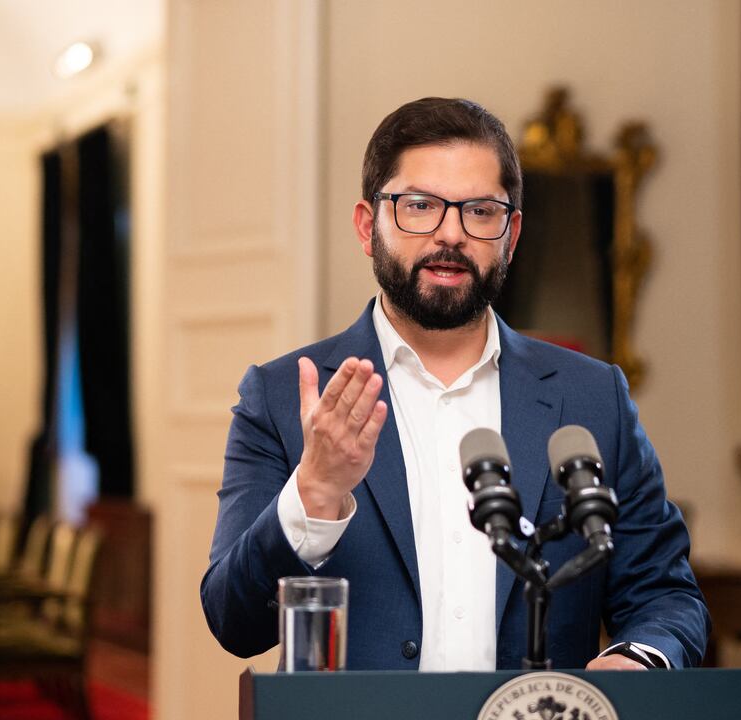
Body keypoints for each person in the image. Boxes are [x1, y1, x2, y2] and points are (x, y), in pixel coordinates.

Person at [201, 97, 709, 671]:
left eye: (481, 211)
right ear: (369, 227)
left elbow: (665, 596)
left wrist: (637, 659)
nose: (450, 234)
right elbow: (233, 620)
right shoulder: (282, 399)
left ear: (511, 234)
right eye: (418, 206)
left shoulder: (594, 398)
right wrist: (313, 493)